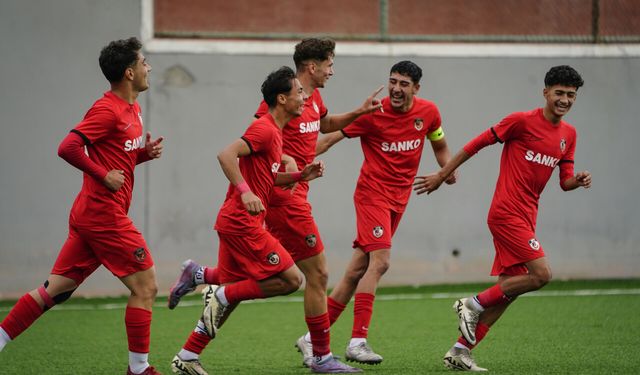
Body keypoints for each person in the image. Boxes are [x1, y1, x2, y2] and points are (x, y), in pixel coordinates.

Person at [168, 38, 381, 373]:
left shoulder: (308, 103)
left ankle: (191, 340)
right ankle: (320, 354)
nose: (332, 71)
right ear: (312, 67)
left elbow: (320, 130)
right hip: (282, 204)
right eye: (329, 64)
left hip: (276, 197)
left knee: (238, 280)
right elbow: (251, 143)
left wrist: (355, 118)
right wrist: (265, 178)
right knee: (311, 274)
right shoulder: (271, 122)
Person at [0, 37, 164, 375]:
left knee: (55, 290)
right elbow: (68, 147)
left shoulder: (133, 108)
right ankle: (139, 369)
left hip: (90, 215)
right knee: (146, 286)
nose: (149, 67)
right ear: (130, 72)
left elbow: (116, 156)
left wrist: (141, 156)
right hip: (104, 215)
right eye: (144, 62)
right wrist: (104, 176)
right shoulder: (107, 110)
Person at [413, 65, 591, 372]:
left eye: (571, 95)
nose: (564, 99)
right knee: (541, 275)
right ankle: (472, 303)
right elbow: (476, 144)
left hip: (527, 215)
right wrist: (443, 174)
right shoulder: (521, 121)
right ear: (545, 92)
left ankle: (460, 351)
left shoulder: (569, 135)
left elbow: (564, 181)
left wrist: (578, 180)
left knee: (510, 289)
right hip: (506, 212)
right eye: (559, 93)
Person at [310, 60, 456, 365]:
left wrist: (446, 170)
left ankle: (313, 338)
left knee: (354, 272)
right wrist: (292, 158)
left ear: (417, 88)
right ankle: (357, 341)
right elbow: (329, 139)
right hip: (371, 196)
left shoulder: (429, 113)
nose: (396, 88)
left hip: (399, 200)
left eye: (404, 84)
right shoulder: (373, 114)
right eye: (393, 81)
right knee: (381, 262)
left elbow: (439, 144)